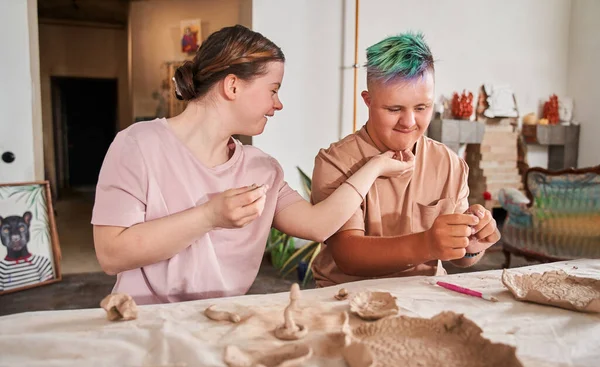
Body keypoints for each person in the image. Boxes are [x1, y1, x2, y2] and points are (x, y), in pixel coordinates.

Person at [92, 25, 413, 305]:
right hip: (140, 324)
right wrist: (209, 216)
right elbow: (111, 254)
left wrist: (375, 167)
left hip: (218, 324)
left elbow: (318, 225)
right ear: (232, 86)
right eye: (273, 90)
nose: (278, 104)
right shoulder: (138, 144)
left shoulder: (262, 169)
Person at [310, 32, 501, 287]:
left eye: (422, 108)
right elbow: (348, 256)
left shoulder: (449, 163)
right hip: (346, 301)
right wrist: (427, 243)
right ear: (368, 101)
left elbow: (462, 258)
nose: (409, 122)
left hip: (426, 297)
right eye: (394, 109)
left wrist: (473, 243)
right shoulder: (336, 162)